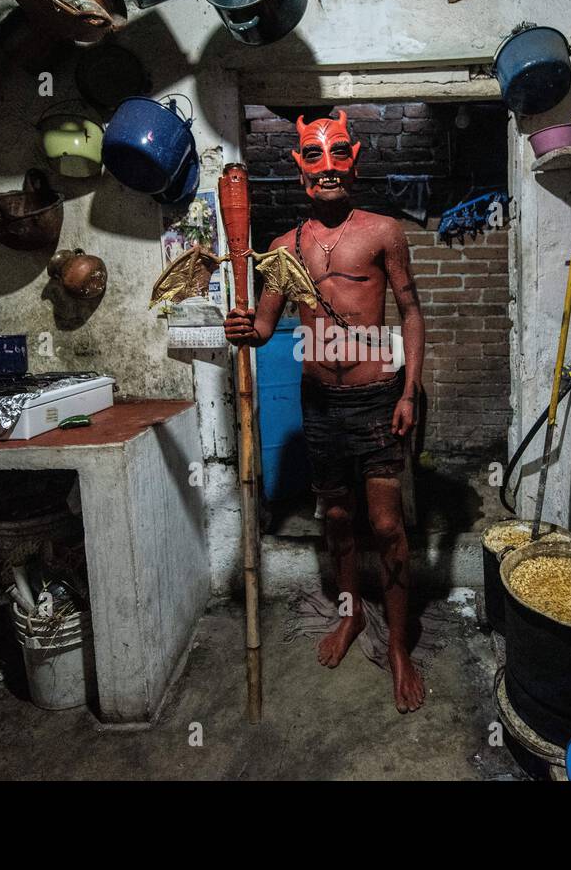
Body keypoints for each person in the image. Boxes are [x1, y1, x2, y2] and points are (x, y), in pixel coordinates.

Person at [224, 111, 427, 713]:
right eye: (316, 157)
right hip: (320, 405)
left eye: (339, 153)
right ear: (300, 170)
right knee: (337, 520)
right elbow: (262, 327)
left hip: (375, 400)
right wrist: (243, 327)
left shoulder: (384, 231)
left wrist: (410, 392)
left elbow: (411, 313)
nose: (329, 167)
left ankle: (397, 646)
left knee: (387, 526)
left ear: (354, 159)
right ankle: (349, 616)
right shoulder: (286, 249)